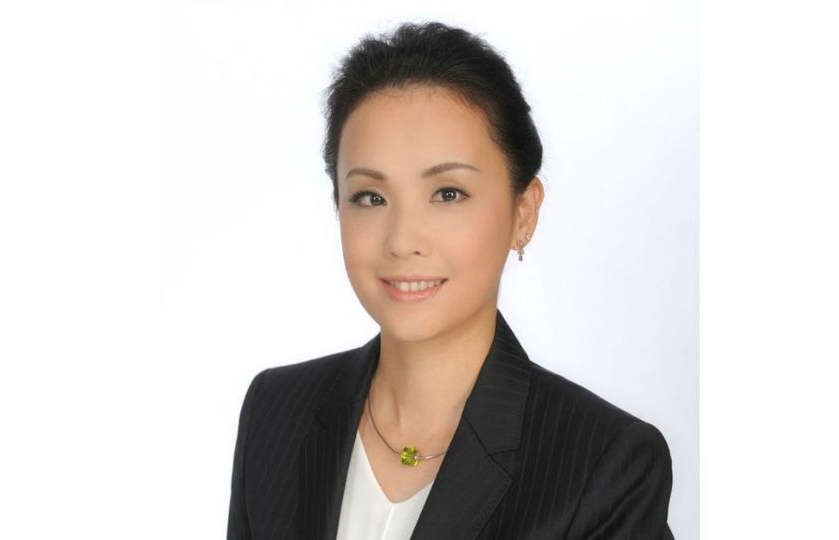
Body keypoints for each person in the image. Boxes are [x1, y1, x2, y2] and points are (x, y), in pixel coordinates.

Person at [227, 21, 674, 540]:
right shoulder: (277, 410)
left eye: (448, 193)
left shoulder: (605, 464)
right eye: (370, 197)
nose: (402, 240)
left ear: (523, 212)